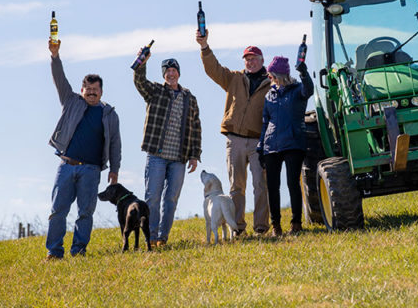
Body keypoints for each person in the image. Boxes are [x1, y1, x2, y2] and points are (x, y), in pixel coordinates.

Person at [46, 39, 121, 259]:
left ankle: (79, 250)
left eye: (95, 90)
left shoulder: (109, 114)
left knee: (85, 213)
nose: (91, 93)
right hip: (66, 166)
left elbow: (115, 143)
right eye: (87, 90)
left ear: (101, 92)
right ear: (81, 90)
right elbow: (59, 79)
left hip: (91, 170)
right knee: (58, 211)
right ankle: (54, 251)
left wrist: (114, 170)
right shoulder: (71, 101)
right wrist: (55, 56)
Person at [196, 29, 271, 236]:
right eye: (247, 59)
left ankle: (261, 227)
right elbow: (213, 69)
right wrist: (204, 47)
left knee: (260, 185)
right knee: (236, 187)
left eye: (254, 58)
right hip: (235, 140)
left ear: (262, 60)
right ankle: (237, 227)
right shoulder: (234, 79)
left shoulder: (270, 83)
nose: (250, 62)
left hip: (258, 141)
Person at [133, 52, 201, 247]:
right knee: (152, 197)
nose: (171, 74)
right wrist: (141, 63)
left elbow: (196, 128)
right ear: (163, 75)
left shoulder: (190, 98)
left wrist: (194, 155)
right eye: (167, 71)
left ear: (178, 73)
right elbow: (139, 81)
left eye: (174, 70)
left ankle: (163, 237)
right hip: (156, 155)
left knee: (171, 198)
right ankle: (151, 237)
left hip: (179, 157)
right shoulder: (154, 91)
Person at [257, 56, 314, 236]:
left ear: (277, 74)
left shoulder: (298, 90)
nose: (269, 78)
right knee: (272, 186)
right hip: (271, 144)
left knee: (292, 183)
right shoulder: (269, 95)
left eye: (271, 75)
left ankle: (296, 224)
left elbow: (309, 90)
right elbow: (266, 122)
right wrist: (260, 146)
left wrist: (304, 73)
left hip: (293, 142)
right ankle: (276, 227)